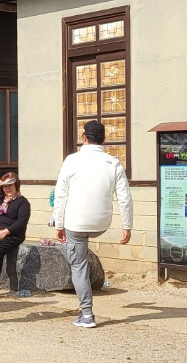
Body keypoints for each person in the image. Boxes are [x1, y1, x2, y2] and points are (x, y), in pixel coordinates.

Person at [53, 119, 133, 329]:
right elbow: (124, 197)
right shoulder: (113, 162)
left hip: (76, 223)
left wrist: (58, 224)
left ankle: (87, 314)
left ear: (84, 137)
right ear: (103, 139)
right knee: (82, 252)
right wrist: (127, 226)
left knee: (78, 265)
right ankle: (86, 313)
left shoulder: (72, 160)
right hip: (102, 222)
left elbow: (61, 194)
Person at [0, 173, 31, 295]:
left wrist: (6, 231)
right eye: (5, 186)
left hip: (13, 234)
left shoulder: (23, 202)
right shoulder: (0, 200)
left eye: (10, 185)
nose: (8, 189)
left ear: (16, 186)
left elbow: (22, 221)